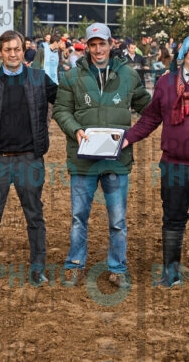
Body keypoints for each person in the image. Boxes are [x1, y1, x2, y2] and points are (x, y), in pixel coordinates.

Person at [124, 33, 189, 293]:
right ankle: (171, 272)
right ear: (183, 53)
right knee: (172, 217)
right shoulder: (166, 83)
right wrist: (126, 139)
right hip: (173, 164)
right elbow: (151, 118)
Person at [53, 23, 151, 289]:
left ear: (111, 44)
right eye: (93, 44)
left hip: (116, 161)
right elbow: (61, 110)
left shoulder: (129, 75)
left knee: (117, 221)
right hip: (82, 160)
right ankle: (75, 264)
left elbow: (148, 108)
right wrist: (75, 130)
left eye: (102, 44)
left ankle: (117, 267)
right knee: (78, 218)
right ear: (86, 46)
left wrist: (134, 134)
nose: (98, 49)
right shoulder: (72, 76)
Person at [0, 30, 58, 288]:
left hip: (29, 159)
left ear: (23, 49)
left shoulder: (39, 78)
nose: (13, 54)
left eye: (17, 49)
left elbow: (64, 100)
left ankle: (38, 270)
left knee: (35, 216)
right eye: (7, 50)